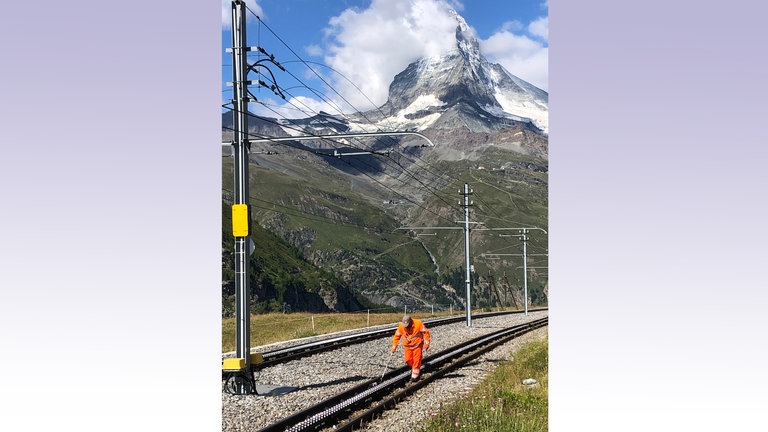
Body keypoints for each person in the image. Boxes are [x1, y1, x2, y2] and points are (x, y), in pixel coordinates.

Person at [390, 314, 431, 382]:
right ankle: (414, 367)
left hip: (417, 345)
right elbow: (396, 336)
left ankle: (415, 377)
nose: (406, 327)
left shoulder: (418, 323)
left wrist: (427, 343)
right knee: (408, 360)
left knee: (417, 361)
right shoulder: (401, 326)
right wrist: (394, 347)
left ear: (411, 322)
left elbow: (426, 332)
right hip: (407, 346)